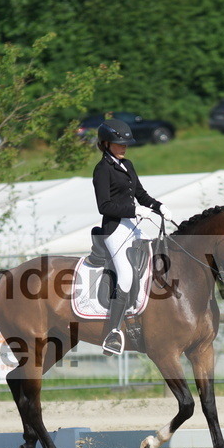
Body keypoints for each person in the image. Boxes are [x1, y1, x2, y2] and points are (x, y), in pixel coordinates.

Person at [92, 118, 172, 356]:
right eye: (119, 143)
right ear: (106, 144)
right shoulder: (102, 170)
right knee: (126, 275)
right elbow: (104, 206)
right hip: (115, 229)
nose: (124, 147)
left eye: (126, 143)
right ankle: (113, 333)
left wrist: (159, 207)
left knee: (157, 259)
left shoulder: (128, 164)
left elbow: (140, 193)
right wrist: (135, 210)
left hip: (133, 225)